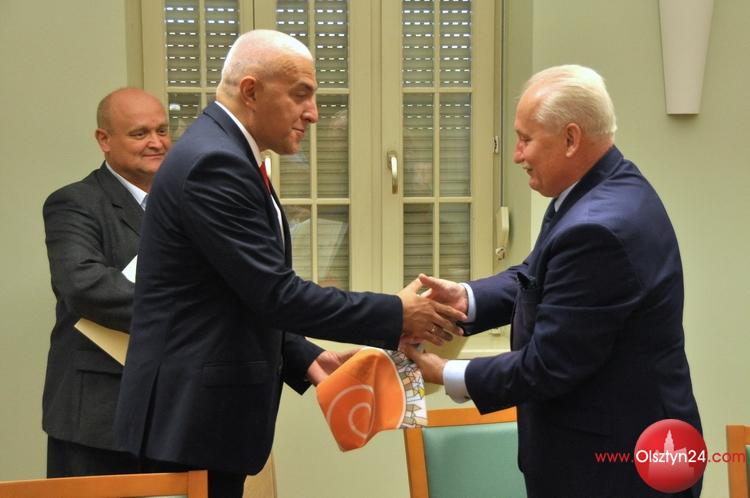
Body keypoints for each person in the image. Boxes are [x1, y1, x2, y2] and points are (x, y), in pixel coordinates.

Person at [114, 29, 465, 498]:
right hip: (186, 421)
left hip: (196, 419)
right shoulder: (214, 162)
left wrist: (305, 356)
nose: (313, 113)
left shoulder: (225, 151)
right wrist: (397, 313)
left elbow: (236, 293)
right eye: (301, 94)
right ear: (251, 92)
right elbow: (275, 294)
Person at [404, 65, 701, 498]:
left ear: (571, 139)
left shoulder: (598, 226)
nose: (516, 155)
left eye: (525, 139)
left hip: (615, 472)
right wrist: (467, 298)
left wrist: (446, 372)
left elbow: (549, 364)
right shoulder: (601, 189)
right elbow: (540, 277)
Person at [42, 88, 171, 477]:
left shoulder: (186, 205)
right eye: (140, 133)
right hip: (98, 419)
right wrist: (187, 315)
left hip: (176, 415)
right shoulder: (75, 202)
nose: (156, 142)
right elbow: (84, 284)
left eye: (162, 130)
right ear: (104, 140)